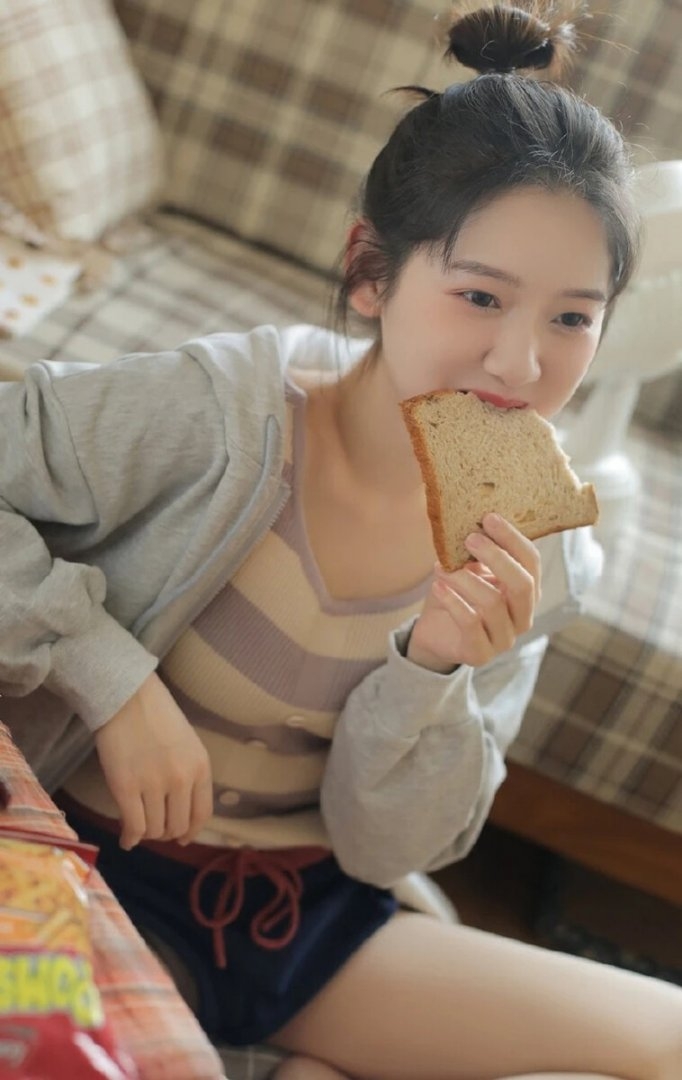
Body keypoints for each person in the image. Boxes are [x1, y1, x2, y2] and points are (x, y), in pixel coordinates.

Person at [0, 3, 680, 1078]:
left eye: (569, 317)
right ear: (372, 273)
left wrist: (436, 669)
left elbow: (386, 850)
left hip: (311, 925)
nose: (518, 363)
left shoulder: (544, 553)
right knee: (73, 1056)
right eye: (478, 296)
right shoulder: (219, 413)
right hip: (84, 876)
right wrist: (113, 681)